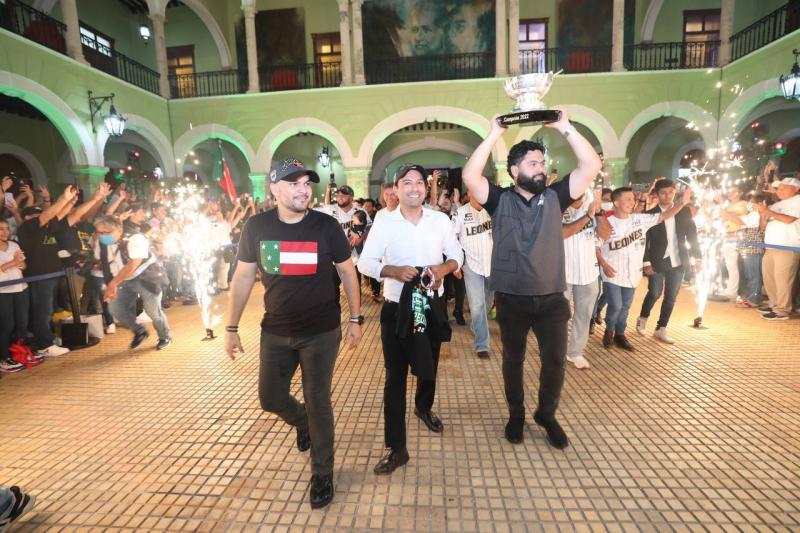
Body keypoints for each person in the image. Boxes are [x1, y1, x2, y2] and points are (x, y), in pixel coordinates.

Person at [224, 158, 362, 509]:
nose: (304, 189)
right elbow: (242, 278)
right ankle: (301, 423)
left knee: (319, 402)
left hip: (321, 331)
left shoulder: (325, 226)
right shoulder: (256, 227)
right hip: (276, 331)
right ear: (274, 188)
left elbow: (347, 272)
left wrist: (356, 318)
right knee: (270, 398)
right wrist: (231, 326)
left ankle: (322, 474)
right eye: (294, 183)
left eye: (306, 183)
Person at [461, 110, 602, 449]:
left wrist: (564, 126)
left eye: (542, 163)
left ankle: (546, 414)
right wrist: (495, 133)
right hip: (512, 297)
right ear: (514, 171)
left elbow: (590, 166)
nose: (540, 168)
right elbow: (470, 175)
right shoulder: (499, 201)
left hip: (552, 298)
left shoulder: (555, 197)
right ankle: (516, 414)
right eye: (532, 164)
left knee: (555, 360)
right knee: (514, 359)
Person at [358, 163, 463, 475]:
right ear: (396, 188)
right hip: (396, 309)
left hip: (431, 306)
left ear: (426, 187)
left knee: (428, 367)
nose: (414, 187)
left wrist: (441, 270)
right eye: (407, 183)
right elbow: (365, 261)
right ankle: (397, 448)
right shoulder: (384, 222)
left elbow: (457, 255)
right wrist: (392, 271)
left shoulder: (439, 220)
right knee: (395, 378)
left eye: (420, 182)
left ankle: (423, 407)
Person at [598, 186, 691, 351]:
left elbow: (663, 216)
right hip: (612, 272)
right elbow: (595, 246)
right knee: (616, 306)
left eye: (633, 199)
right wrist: (603, 264)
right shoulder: (606, 222)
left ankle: (620, 334)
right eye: (628, 199)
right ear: (616, 202)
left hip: (632, 273)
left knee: (626, 307)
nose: (632, 202)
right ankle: (609, 330)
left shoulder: (638, 220)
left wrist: (681, 204)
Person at [635, 179, 701, 344]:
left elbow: (692, 236)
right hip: (656, 260)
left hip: (678, 260)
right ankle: (643, 318)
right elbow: (645, 242)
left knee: (671, 296)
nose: (667, 196)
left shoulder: (684, 212)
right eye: (663, 193)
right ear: (656, 195)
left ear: (675, 192)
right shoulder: (650, 214)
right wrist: (646, 262)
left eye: (670, 192)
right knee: (655, 292)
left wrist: (698, 257)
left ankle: (661, 328)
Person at [17, 185, 79, 358]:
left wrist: (68, 201)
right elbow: (49, 214)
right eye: (35, 215)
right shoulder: (26, 229)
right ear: (27, 217)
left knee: (48, 311)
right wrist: (64, 199)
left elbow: (57, 215)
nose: (40, 216)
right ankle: (44, 344)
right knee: (42, 312)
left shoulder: (46, 228)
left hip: (51, 276)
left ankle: (48, 339)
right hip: (39, 277)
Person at [102, 216, 172, 350]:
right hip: (125, 280)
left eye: (106, 232)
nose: (102, 236)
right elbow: (111, 265)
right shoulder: (108, 244)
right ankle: (139, 331)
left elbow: (134, 263)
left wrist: (113, 284)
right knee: (116, 308)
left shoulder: (135, 238)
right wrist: (112, 285)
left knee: (153, 311)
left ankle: (165, 336)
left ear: (118, 229)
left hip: (147, 278)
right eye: (100, 232)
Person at [562, 191, 603, 369]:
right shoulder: (557, 206)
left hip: (588, 271)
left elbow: (606, 234)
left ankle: (575, 352)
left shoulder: (591, 206)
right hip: (562, 271)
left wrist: (599, 213)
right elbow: (563, 233)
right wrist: (588, 216)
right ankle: (555, 348)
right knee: (559, 315)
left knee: (584, 314)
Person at [453, 193, 493, 358]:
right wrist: (457, 263)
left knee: (488, 302)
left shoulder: (492, 210)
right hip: (471, 265)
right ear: (469, 193)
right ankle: (482, 344)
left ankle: (476, 325)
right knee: (477, 305)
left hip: (492, 265)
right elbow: (451, 238)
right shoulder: (461, 213)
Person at [757, 177, 800, 320]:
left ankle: (783, 310)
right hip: (770, 246)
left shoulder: (797, 201)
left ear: (796, 189)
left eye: (784, 187)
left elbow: (789, 219)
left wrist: (768, 212)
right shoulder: (777, 204)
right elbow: (763, 226)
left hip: (788, 246)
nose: (779, 190)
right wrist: (762, 213)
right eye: (778, 188)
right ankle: (775, 304)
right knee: (770, 278)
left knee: (783, 280)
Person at [0, 219, 29, 373]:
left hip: (20, 288)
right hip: (3, 292)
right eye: (1, 229)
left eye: (6, 228)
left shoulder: (14, 245)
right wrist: (13, 262)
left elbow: (23, 265)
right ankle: (3, 358)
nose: (5, 232)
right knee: (6, 325)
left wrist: (20, 263)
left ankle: (19, 352)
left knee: (22, 323)